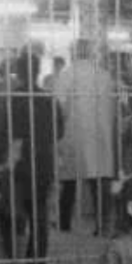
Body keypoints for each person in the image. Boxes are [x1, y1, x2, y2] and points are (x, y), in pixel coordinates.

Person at [0, 51, 65, 264]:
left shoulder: (15, 98)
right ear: (37, 71)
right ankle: (38, 260)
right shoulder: (48, 98)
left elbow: (5, 131)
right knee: (39, 211)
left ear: (20, 72)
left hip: (18, 161)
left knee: (8, 207)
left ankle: (9, 255)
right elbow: (59, 131)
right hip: (43, 159)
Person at [54, 39, 119, 235]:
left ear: (73, 52)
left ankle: (64, 224)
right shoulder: (105, 76)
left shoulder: (66, 75)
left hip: (74, 135)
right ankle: (102, 226)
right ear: (92, 53)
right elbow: (114, 107)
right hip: (100, 135)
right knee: (99, 183)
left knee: (68, 182)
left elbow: (60, 108)